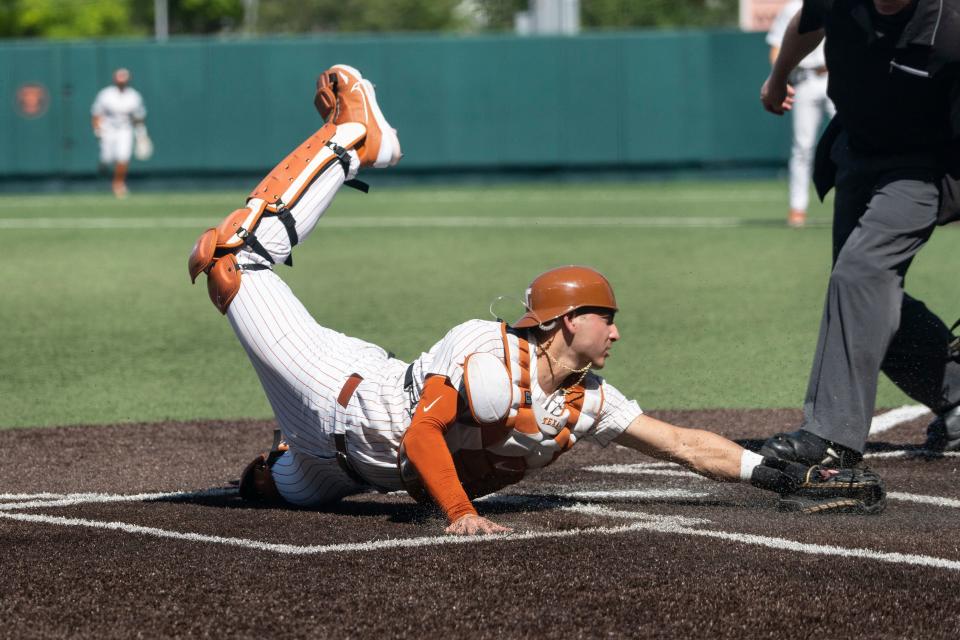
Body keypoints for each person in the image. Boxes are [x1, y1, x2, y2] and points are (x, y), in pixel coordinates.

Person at [189, 64, 882, 535]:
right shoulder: (484, 347)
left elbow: (681, 446)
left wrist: (776, 476)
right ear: (565, 322)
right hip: (336, 395)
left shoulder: (587, 399)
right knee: (229, 262)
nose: (614, 335)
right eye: (605, 321)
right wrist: (460, 514)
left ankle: (279, 454)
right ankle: (351, 136)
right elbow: (421, 433)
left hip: (338, 471)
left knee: (257, 487)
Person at [759, 0, 960, 466]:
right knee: (864, 298)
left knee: (860, 275)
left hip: (924, 166)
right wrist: (778, 77)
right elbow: (809, 23)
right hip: (859, 148)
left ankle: (830, 436)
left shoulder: (949, 24)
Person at [766, 0, 836, 228]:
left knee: (854, 139)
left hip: (836, 75)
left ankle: (861, 203)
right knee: (803, 147)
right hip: (805, 79)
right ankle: (797, 208)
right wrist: (779, 78)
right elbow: (776, 47)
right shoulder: (792, 7)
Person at [91, 68, 148, 198]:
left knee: (123, 157)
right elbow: (96, 113)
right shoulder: (106, 94)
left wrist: (141, 133)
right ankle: (103, 165)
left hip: (125, 129)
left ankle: (118, 184)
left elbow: (139, 116)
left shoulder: (134, 96)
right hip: (108, 129)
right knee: (107, 158)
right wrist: (97, 128)